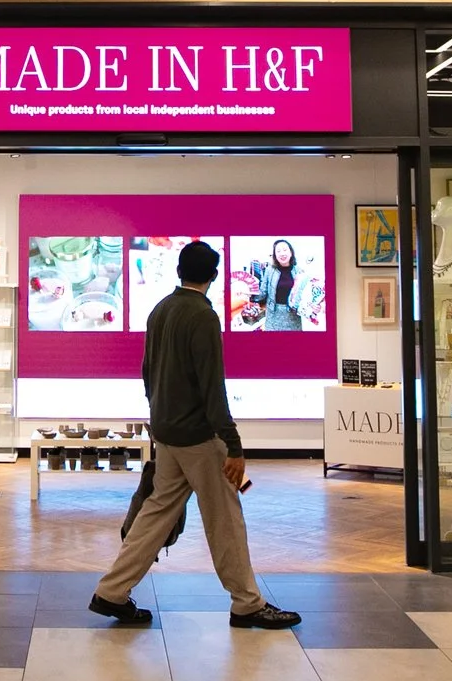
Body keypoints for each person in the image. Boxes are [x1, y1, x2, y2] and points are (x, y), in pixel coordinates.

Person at [89, 240, 301, 630]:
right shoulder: (203, 315)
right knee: (225, 520)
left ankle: (111, 592)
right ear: (215, 276)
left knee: (155, 515)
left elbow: (147, 372)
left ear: (178, 271)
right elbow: (211, 387)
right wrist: (233, 445)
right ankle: (247, 603)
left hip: (167, 434)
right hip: (200, 439)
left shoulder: (160, 310)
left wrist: (160, 417)